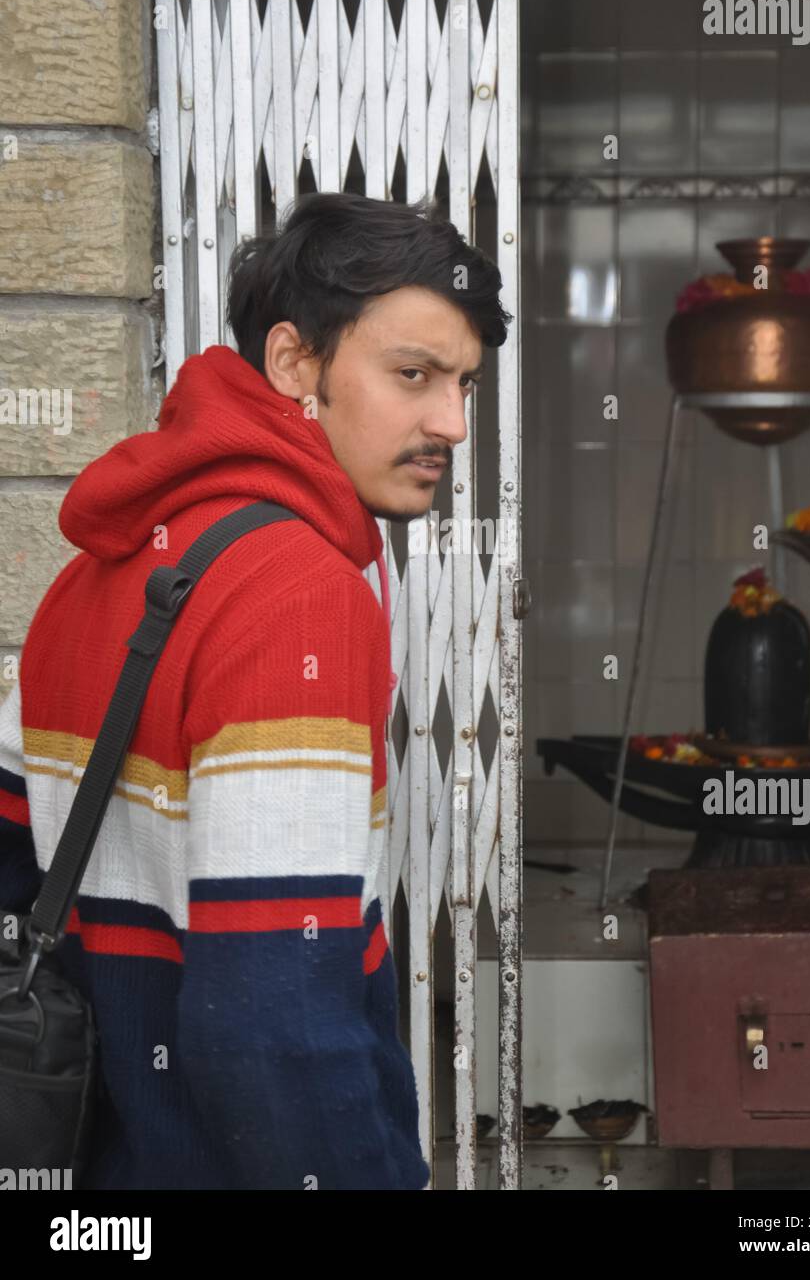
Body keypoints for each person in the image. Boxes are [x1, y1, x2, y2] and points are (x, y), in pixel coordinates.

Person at [0, 191, 512, 1189]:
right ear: (294, 364)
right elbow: (276, 1030)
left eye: (464, 385)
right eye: (413, 374)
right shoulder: (299, 594)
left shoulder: (102, 568)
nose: (448, 423)